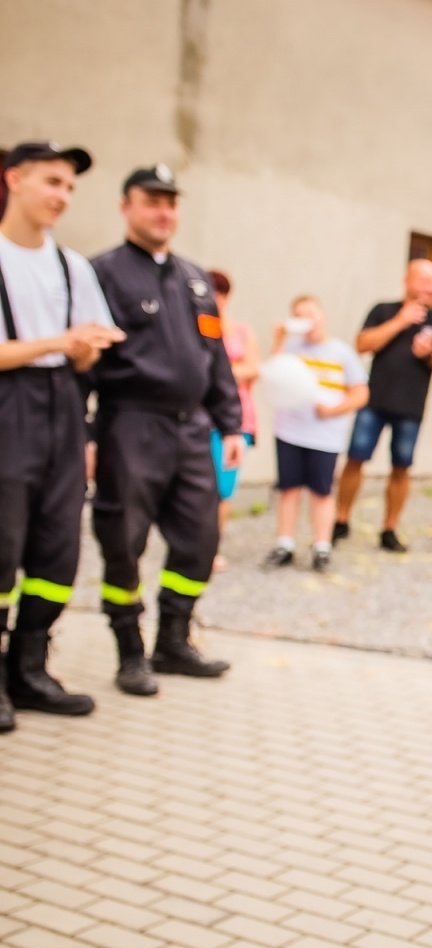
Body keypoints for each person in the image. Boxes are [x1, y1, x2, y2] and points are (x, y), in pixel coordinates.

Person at [90, 164, 243, 697]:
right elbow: (86, 362)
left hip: (192, 431)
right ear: (126, 206)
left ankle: (173, 642)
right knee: (122, 542)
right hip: (131, 426)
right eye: (152, 201)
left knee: (200, 540)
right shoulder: (102, 274)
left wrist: (231, 427)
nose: (163, 212)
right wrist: (88, 436)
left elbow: (215, 357)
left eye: (171, 203)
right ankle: (130, 653)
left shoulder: (194, 278)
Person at [0, 142, 124, 730]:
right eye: (52, 182)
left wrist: (80, 352)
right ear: (14, 180)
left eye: (69, 188)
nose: (61, 196)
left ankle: (30, 670)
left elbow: (86, 354)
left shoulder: (73, 267)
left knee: (56, 545)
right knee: (2, 543)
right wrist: (57, 342)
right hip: (9, 406)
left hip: (63, 409)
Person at [332, 259, 432, 552]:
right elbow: (362, 344)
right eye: (425, 281)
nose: (431, 288)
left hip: (411, 408)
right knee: (355, 459)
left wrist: (429, 355)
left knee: (401, 468)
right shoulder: (384, 310)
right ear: (407, 281)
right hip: (374, 402)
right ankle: (340, 520)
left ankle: (389, 529)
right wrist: (401, 321)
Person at [263, 296, 368, 573]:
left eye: (310, 313)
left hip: (325, 436)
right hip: (290, 431)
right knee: (288, 488)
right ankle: (284, 543)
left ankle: (322, 546)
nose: (307, 319)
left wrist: (334, 410)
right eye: (299, 314)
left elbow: (360, 393)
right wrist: (278, 340)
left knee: (322, 491)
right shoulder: (290, 349)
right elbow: (271, 375)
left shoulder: (342, 352)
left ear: (322, 315)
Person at [208, 268, 259, 570]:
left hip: (236, 420)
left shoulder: (241, 330)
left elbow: (254, 368)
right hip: (201, 417)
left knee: (223, 488)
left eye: (222, 291)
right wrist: (231, 369)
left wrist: (219, 372)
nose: (218, 297)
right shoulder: (196, 328)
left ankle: (212, 546)